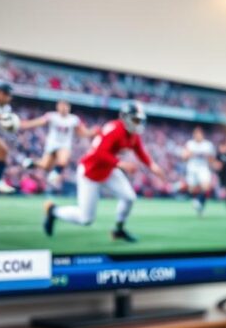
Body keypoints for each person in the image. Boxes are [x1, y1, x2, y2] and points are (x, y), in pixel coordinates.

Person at [43, 101, 166, 242]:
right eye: (135, 119)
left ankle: (119, 230)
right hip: (91, 172)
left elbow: (141, 152)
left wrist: (153, 166)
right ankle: (53, 211)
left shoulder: (133, 134)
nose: (138, 123)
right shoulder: (114, 129)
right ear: (125, 117)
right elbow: (99, 153)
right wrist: (121, 164)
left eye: (140, 120)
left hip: (108, 170)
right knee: (86, 219)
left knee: (129, 198)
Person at [19, 99, 98, 191]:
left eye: (66, 106)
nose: (64, 108)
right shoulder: (52, 116)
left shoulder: (74, 119)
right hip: (52, 144)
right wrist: (24, 124)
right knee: (45, 165)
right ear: (58, 107)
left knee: (63, 160)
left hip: (64, 144)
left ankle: (55, 174)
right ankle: (31, 163)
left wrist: (92, 132)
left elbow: (82, 132)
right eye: (62, 106)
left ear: (69, 108)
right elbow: (37, 122)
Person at [181, 126, 217, 215]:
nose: (197, 136)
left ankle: (200, 202)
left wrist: (210, 160)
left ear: (202, 135)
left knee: (205, 186)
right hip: (192, 168)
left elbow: (212, 159)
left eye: (199, 134)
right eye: (195, 134)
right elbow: (184, 158)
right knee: (192, 189)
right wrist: (188, 154)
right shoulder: (190, 144)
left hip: (203, 168)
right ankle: (198, 203)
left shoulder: (208, 145)